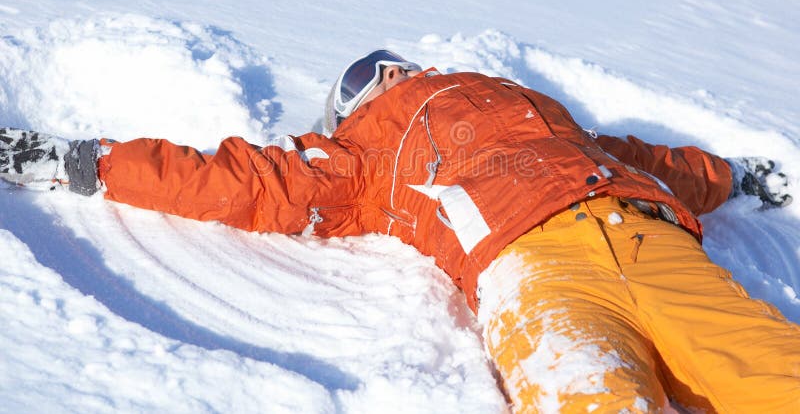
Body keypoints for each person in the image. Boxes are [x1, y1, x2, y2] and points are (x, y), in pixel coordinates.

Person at [0, 49, 798, 413]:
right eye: (359, 77)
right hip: (532, 270)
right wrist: (79, 160)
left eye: (385, 60)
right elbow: (239, 179)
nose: (384, 73)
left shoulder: (518, 100)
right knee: (589, 400)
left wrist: (735, 177)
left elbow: (638, 156)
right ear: (346, 111)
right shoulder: (365, 157)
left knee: (774, 370)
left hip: (646, 233)